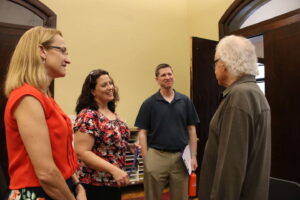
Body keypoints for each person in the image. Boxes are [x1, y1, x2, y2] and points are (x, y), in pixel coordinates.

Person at [4, 26, 86, 200]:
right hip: (39, 193)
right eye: (62, 51)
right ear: (42, 51)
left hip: (60, 188)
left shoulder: (44, 97)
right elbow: (46, 173)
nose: (68, 59)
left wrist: (77, 185)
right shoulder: (27, 97)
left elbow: (60, 159)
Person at [199, 35, 271, 200]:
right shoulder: (253, 93)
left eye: (215, 62)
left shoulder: (239, 96)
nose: (215, 67)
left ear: (224, 64)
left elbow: (230, 170)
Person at [135, 63, 200, 200]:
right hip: (156, 155)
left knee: (181, 196)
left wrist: (193, 156)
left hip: (181, 157)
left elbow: (191, 129)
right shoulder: (149, 103)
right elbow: (142, 132)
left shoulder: (185, 101)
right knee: (152, 196)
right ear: (157, 79)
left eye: (170, 74)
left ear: (173, 77)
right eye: (163, 75)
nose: (167, 77)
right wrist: (147, 159)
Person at [74, 69, 139, 200]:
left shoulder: (112, 113)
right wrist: (114, 170)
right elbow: (81, 152)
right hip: (94, 185)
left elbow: (106, 142)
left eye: (111, 83)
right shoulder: (88, 115)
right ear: (92, 91)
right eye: (104, 85)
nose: (110, 87)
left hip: (113, 184)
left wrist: (127, 146)